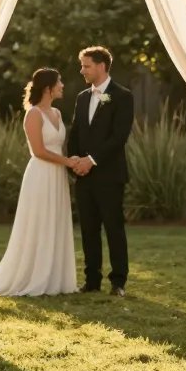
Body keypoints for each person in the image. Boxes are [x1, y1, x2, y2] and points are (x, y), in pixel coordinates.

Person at [0, 68, 78, 296]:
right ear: (48, 88)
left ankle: (56, 278)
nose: (62, 86)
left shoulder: (56, 113)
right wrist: (68, 162)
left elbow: (58, 146)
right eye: (59, 82)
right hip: (41, 175)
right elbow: (38, 151)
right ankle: (36, 276)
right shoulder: (33, 114)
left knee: (55, 220)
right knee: (40, 222)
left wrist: (70, 161)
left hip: (57, 176)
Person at [68, 46, 134, 296]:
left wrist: (91, 160)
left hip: (110, 175)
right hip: (83, 176)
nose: (82, 70)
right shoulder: (82, 97)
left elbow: (119, 137)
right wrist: (75, 161)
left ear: (101, 66)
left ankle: (118, 282)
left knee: (114, 228)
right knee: (88, 229)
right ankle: (92, 281)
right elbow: (75, 132)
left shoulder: (123, 96)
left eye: (86, 65)